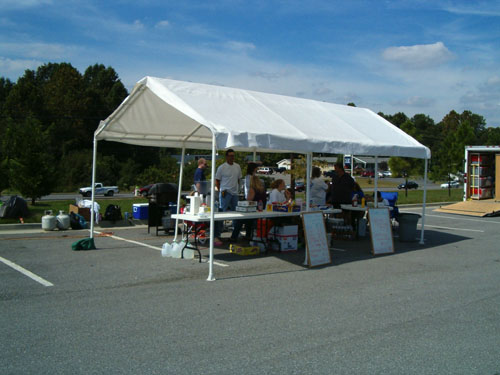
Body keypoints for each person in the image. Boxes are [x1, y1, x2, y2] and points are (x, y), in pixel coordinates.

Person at [214, 149, 242, 245]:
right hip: (225, 192)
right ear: (226, 157)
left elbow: (239, 179)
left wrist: (237, 190)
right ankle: (217, 235)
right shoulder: (222, 167)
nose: (232, 157)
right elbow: (217, 180)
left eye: (233, 156)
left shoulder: (237, 166)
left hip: (235, 193)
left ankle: (234, 235)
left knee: (237, 214)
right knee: (221, 214)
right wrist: (221, 190)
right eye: (230, 155)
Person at [230, 163, 260, 241]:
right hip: (250, 199)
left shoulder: (249, 177)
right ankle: (244, 235)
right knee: (245, 219)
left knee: (246, 220)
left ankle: (243, 235)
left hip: (251, 199)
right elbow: (249, 189)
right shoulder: (250, 178)